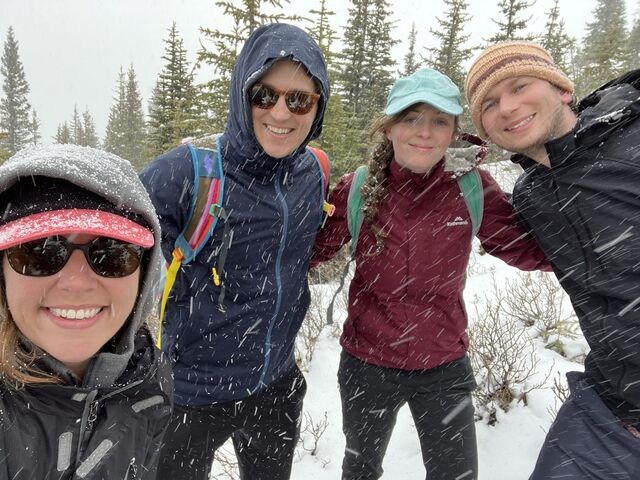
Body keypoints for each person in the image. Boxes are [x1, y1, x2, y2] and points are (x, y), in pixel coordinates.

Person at [311, 68, 549, 480]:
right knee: (360, 470)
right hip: (368, 363)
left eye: (439, 120)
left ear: (453, 131)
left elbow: (530, 251)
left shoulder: (472, 188)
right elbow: (307, 251)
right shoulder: (360, 188)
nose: (424, 132)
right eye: (411, 118)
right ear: (388, 128)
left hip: (443, 364)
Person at [139, 23, 329, 479]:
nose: (281, 112)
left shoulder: (313, 172)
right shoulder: (188, 171)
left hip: (275, 388)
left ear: (317, 107)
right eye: (265, 95)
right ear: (243, 94)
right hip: (190, 395)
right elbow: (105, 259)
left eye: (299, 99)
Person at [465, 41, 640, 479]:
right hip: (610, 409)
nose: (506, 107)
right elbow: (533, 251)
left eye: (519, 85)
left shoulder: (632, 140)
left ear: (562, 89)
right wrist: (474, 190)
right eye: (488, 103)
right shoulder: (532, 192)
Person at [0, 144, 172, 479]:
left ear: (143, 276)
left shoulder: (149, 378)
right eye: (38, 252)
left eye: (112, 252)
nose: (77, 283)